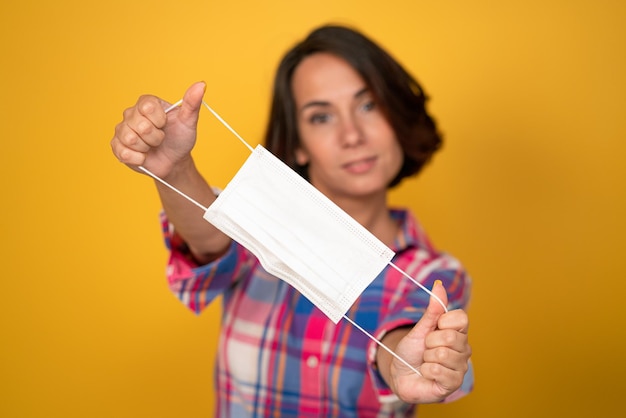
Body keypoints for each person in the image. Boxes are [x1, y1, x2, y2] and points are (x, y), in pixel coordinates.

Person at [111, 24, 473, 417]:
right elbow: (211, 241)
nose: (352, 135)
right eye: (321, 117)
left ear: (397, 116)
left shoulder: (436, 273)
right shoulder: (259, 230)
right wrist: (174, 170)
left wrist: (407, 361)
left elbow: (404, 336)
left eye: (368, 106)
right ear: (298, 142)